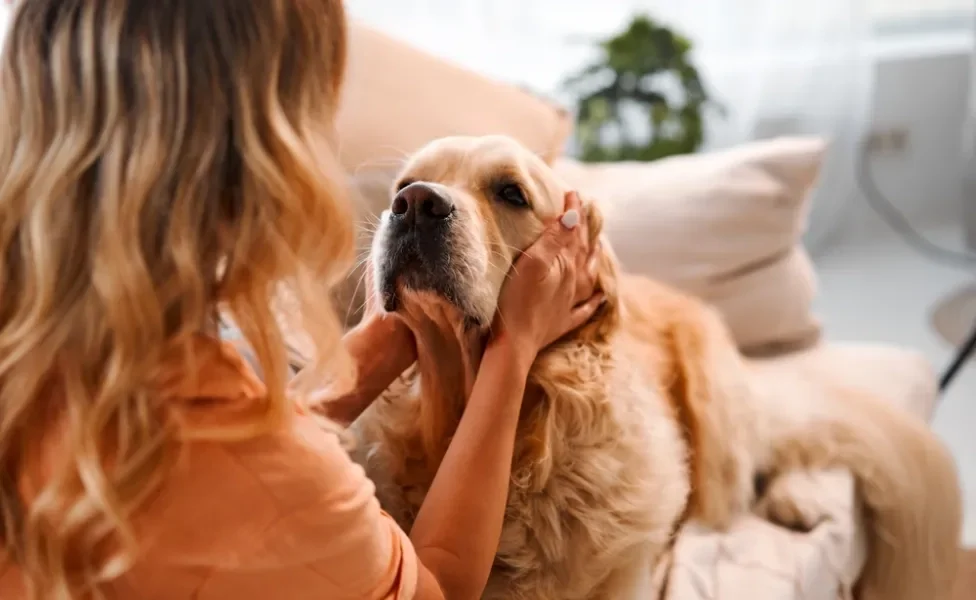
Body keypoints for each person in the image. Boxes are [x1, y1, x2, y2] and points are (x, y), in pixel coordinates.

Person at [0, 1, 601, 599]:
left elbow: (239, 434)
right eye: (317, 113)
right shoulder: (276, 486)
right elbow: (436, 583)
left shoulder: (54, 355)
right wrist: (512, 348)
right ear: (267, 161)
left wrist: (380, 339)